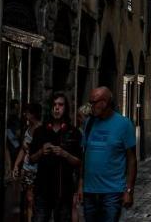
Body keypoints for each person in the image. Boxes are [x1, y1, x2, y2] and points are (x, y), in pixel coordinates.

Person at [77, 86, 136, 221]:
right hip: (90, 192)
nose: (91, 106)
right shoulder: (89, 123)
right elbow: (84, 155)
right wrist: (81, 185)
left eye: (94, 102)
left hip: (112, 192)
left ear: (104, 103)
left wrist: (129, 190)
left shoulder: (124, 124)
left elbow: (132, 159)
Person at [28, 92, 83, 222]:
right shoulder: (40, 131)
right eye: (54, 105)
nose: (57, 108)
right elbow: (31, 159)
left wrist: (65, 154)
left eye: (60, 105)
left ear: (65, 108)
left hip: (64, 190)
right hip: (43, 190)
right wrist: (41, 151)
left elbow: (79, 162)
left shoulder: (73, 132)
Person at [13, 102, 44, 216]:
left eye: (27, 112)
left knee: (32, 200)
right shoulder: (28, 128)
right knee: (27, 200)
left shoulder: (40, 129)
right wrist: (16, 165)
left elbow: (41, 150)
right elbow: (22, 149)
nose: (25, 114)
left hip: (36, 170)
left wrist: (29, 148)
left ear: (33, 114)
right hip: (26, 169)